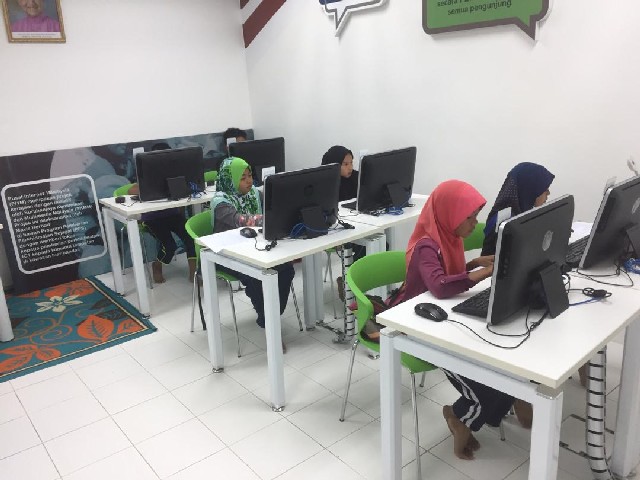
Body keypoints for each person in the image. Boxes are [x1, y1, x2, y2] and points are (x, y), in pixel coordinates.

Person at [386, 180, 531, 460]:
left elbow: (445, 273)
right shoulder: (426, 246)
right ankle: (458, 416)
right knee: (486, 387)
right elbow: (439, 285)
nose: (475, 223)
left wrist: (472, 265)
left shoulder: (449, 237)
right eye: (470, 217)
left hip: (445, 318)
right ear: (450, 214)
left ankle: (469, 416)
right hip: (418, 328)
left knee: (503, 369)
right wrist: (483, 274)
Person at [211, 157, 295, 343]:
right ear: (230, 179)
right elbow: (238, 220)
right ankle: (269, 323)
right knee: (256, 277)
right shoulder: (220, 202)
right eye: (242, 178)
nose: (249, 181)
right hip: (226, 255)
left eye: (249, 176)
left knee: (286, 269)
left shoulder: (254, 193)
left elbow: (274, 205)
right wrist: (267, 218)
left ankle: (272, 315)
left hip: (255, 249)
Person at [129, 143, 197, 284]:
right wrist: (150, 187)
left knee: (191, 239)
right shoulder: (147, 174)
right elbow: (131, 190)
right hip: (152, 218)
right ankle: (157, 265)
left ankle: (194, 274)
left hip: (172, 215)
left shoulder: (175, 173)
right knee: (169, 245)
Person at [481, 162, 554, 256]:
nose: (548, 193)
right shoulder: (504, 224)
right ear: (530, 190)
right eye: (545, 189)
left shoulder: (520, 213)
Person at [321, 145, 361, 301]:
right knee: (361, 246)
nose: (350, 167)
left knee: (382, 244)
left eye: (351, 163)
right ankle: (349, 283)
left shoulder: (356, 177)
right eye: (345, 164)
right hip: (334, 231)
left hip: (356, 226)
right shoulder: (325, 182)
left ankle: (353, 282)